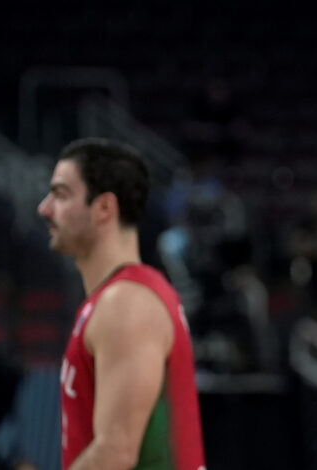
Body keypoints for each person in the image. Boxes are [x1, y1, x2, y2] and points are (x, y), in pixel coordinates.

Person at [37, 138, 206, 469]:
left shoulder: (127, 303)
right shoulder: (117, 298)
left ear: (104, 208)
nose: (45, 208)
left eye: (61, 195)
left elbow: (115, 453)